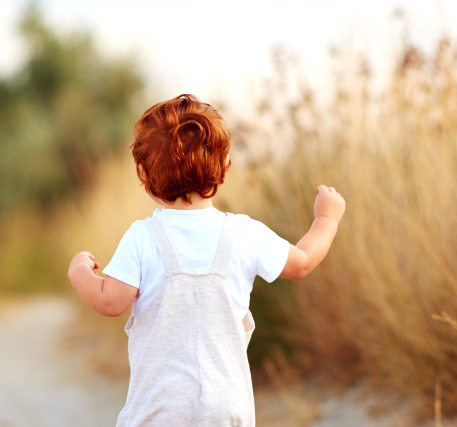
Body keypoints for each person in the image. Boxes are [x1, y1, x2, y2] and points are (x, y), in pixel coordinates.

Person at [67, 94, 346, 426]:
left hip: (159, 410)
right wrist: (326, 221)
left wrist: (79, 270)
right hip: (227, 409)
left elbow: (110, 300)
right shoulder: (244, 233)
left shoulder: (143, 237)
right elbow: (301, 263)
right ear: (225, 165)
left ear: (144, 174)